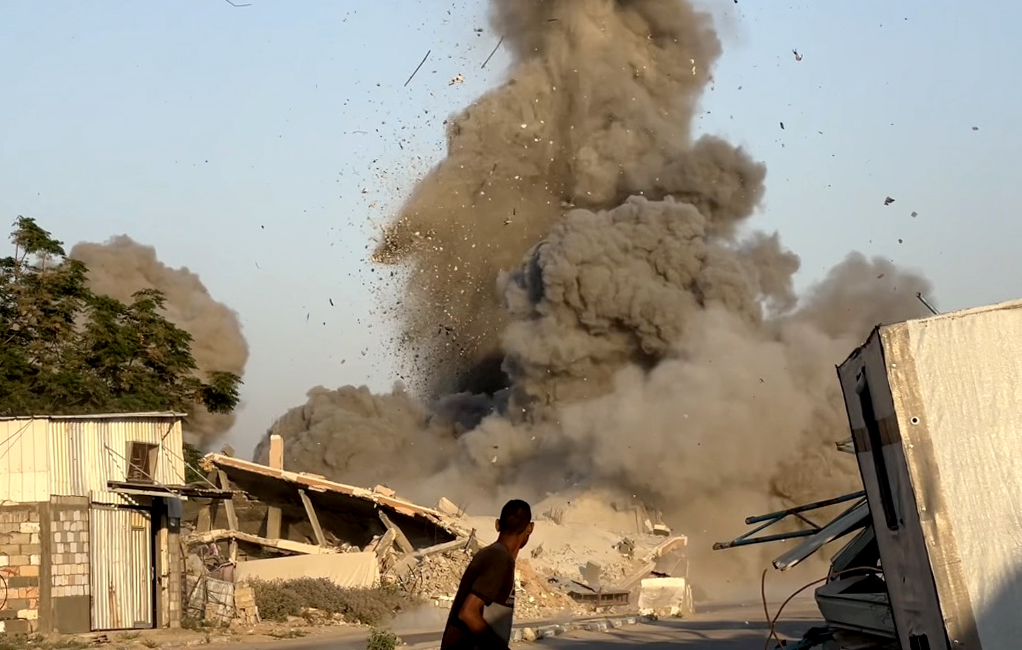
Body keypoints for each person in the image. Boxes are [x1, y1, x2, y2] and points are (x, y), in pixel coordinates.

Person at [440, 499, 534, 650]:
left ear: (497, 524)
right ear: (530, 528)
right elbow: (468, 612)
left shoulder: (494, 555)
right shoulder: (499, 558)